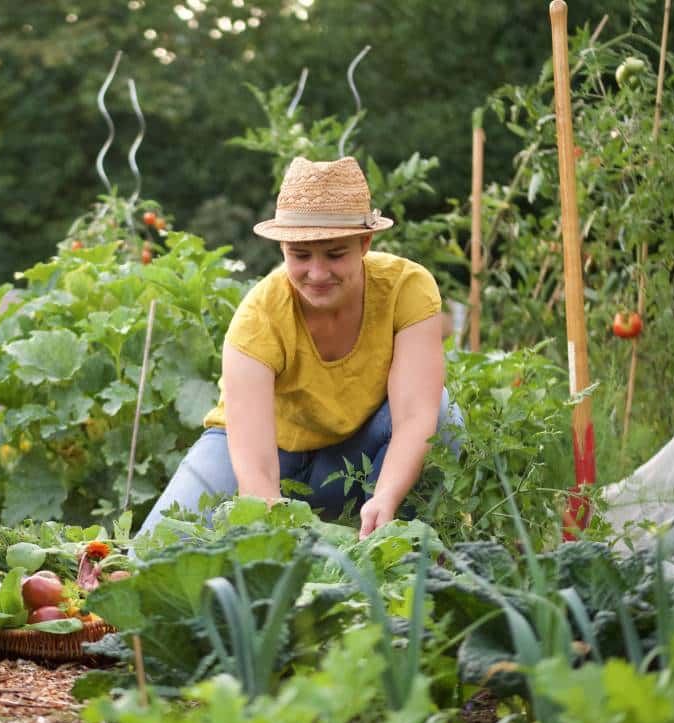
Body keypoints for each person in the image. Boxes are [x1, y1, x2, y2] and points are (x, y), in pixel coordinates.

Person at [139, 155, 461, 541]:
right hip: (266, 450)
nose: (318, 273)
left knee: (444, 414)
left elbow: (414, 414)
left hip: (352, 456)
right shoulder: (258, 318)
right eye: (301, 255)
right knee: (154, 551)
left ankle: (392, 547)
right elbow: (257, 477)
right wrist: (275, 533)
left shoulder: (406, 289)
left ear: (365, 242)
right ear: (282, 249)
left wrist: (387, 496)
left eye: (336, 254)